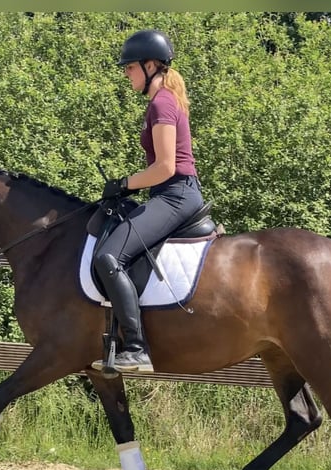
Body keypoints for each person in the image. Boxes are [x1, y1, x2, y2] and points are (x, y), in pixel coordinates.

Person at [91, 29, 205, 373]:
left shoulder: (162, 102)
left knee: (109, 256)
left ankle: (137, 347)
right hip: (168, 192)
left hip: (176, 194)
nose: (126, 74)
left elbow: (166, 166)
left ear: (150, 65)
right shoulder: (163, 101)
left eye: (130, 68)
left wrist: (124, 184)